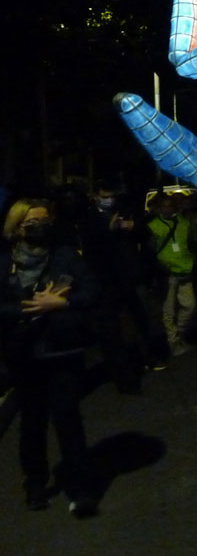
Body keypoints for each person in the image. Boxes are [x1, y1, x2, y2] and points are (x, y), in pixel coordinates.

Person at [1, 198, 99, 516]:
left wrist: (62, 305)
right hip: (23, 353)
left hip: (63, 349)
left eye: (45, 220)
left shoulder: (65, 256)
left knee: (68, 419)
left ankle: (80, 489)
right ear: (17, 228)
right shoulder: (4, 263)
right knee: (32, 421)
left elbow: (92, 291)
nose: (40, 226)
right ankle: (35, 483)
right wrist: (25, 310)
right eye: (32, 222)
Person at [80, 179, 151, 391]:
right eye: (104, 196)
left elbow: (144, 233)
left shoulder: (124, 211)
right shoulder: (89, 218)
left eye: (111, 196)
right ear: (95, 196)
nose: (109, 200)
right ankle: (123, 375)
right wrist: (107, 231)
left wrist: (133, 227)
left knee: (138, 319)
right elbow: (91, 247)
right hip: (104, 280)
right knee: (110, 329)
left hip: (127, 277)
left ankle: (144, 357)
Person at [145, 193, 195, 357]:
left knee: (189, 306)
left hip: (184, 270)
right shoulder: (153, 226)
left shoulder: (184, 223)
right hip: (166, 273)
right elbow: (150, 250)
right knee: (168, 311)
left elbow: (190, 244)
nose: (166, 208)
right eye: (163, 206)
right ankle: (173, 341)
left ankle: (178, 334)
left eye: (169, 205)